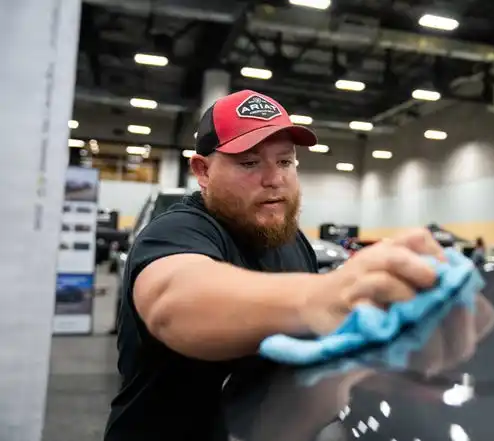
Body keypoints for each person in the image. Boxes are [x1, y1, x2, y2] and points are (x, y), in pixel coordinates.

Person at [103, 89, 449, 441]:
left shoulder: (295, 244)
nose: (274, 178)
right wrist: (332, 295)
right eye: (249, 163)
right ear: (202, 170)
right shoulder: (176, 232)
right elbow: (172, 302)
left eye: (284, 161)